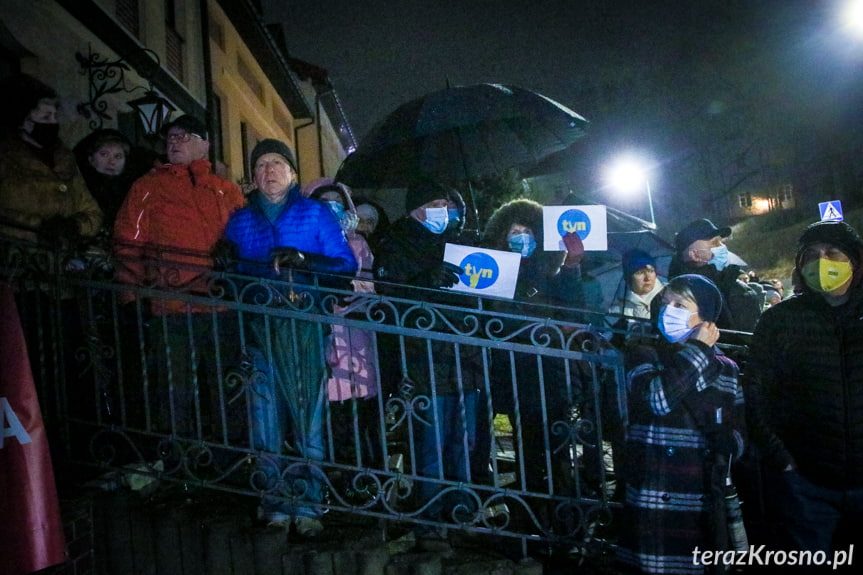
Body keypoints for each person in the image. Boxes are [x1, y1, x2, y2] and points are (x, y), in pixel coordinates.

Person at [222, 139, 357, 537]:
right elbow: (231, 277)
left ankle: (310, 504)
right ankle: (275, 503)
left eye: (277, 163)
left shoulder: (313, 214)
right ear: (253, 176)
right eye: (261, 165)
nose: (269, 171)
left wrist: (306, 262)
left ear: (293, 173)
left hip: (303, 326)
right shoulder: (240, 221)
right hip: (259, 327)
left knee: (307, 416)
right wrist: (224, 261)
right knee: (264, 417)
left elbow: (344, 265)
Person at [113, 115, 245, 437]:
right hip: (171, 304)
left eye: (183, 136)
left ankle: (231, 459)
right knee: (174, 391)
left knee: (226, 385)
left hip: (220, 304)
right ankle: (176, 461)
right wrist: (132, 295)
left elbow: (247, 237)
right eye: (170, 137)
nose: (174, 142)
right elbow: (127, 242)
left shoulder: (226, 190)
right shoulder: (147, 187)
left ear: (204, 144)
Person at [745, 220, 863, 560]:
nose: (821, 262)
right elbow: (757, 393)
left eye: (832, 253)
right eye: (811, 255)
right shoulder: (780, 321)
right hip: (806, 484)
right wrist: (780, 457)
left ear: (854, 260)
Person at [372, 179, 478, 550]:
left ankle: (462, 513)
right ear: (416, 207)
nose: (444, 211)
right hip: (422, 359)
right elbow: (390, 296)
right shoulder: (396, 243)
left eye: (447, 204)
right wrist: (424, 282)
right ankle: (430, 521)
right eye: (436, 203)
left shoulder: (457, 245)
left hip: (462, 359)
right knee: (430, 445)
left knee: (463, 443)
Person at [616, 274, 745, 574]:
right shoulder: (643, 354)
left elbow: (739, 433)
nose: (667, 311)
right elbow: (658, 399)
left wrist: (728, 443)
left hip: (700, 494)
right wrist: (698, 350)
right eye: (664, 303)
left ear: (707, 318)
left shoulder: (727, 369)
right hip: (655, 492)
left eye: (679, 304)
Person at [477, 198, 603, 504]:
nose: (522, 237)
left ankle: (559, 507)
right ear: (501, 237)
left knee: (556, 444)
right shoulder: (490, 273)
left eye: (528, 231)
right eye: (514, 232)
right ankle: (530, 508)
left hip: (550, 373)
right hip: (512, 372)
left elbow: (573, 310)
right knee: (526, 447)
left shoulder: (551, 272)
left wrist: (571, 266)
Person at [307, 180, 383, 478]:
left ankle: (362, 475)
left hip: (357, 340)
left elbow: (370, 286)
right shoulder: (306, 243)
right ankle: (337, 475)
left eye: (337, 203)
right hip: (324, 339)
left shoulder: (358, 244)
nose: (331, 208)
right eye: (323, 202)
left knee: (359, 414)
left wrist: (347, 293)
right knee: (330, 416)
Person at [0, 73, 102, 244]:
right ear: (21, 120)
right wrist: (39, 228)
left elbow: (91, 211)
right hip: (14, 261)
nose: (53, 123)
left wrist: (75, 226)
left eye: (55, 116)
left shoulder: (65, 159)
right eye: (45, 117)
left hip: (58, 262)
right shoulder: (6, 157)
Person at [668, 218, 763, 332]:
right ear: (694, 255)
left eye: (721, 242)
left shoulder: (740, 291)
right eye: (714, 243)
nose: (722, 247)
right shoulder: (671, 297)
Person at [607, 249, 666, 320]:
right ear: (628, 277)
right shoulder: (616, 310)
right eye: (640, 272)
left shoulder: (670, 300)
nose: (647, 278)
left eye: (651, 271)